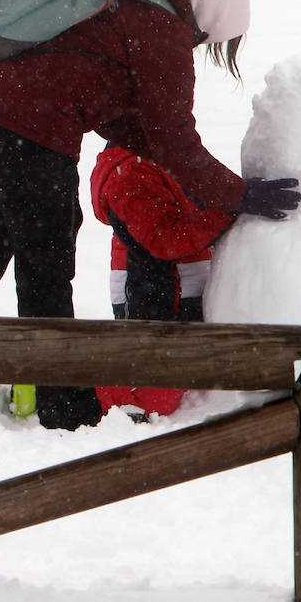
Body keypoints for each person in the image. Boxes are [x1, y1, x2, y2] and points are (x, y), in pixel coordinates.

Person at [0, 0, 301, 430]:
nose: (203, 46)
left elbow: (123, 113)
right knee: (46, 255)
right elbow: (174, 138)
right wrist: (238, 195)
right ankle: (59, 399)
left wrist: (195, 175)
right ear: (215, 6)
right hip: (26, 120)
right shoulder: (160, 27)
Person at [90, 143, 235, 418]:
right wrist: (228, 210)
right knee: (159, 391)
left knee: (181, 374)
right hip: (159, 292)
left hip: (180, 285)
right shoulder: (133, 171)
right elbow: (166, 241)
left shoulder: (162, 156)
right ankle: (66, 387)